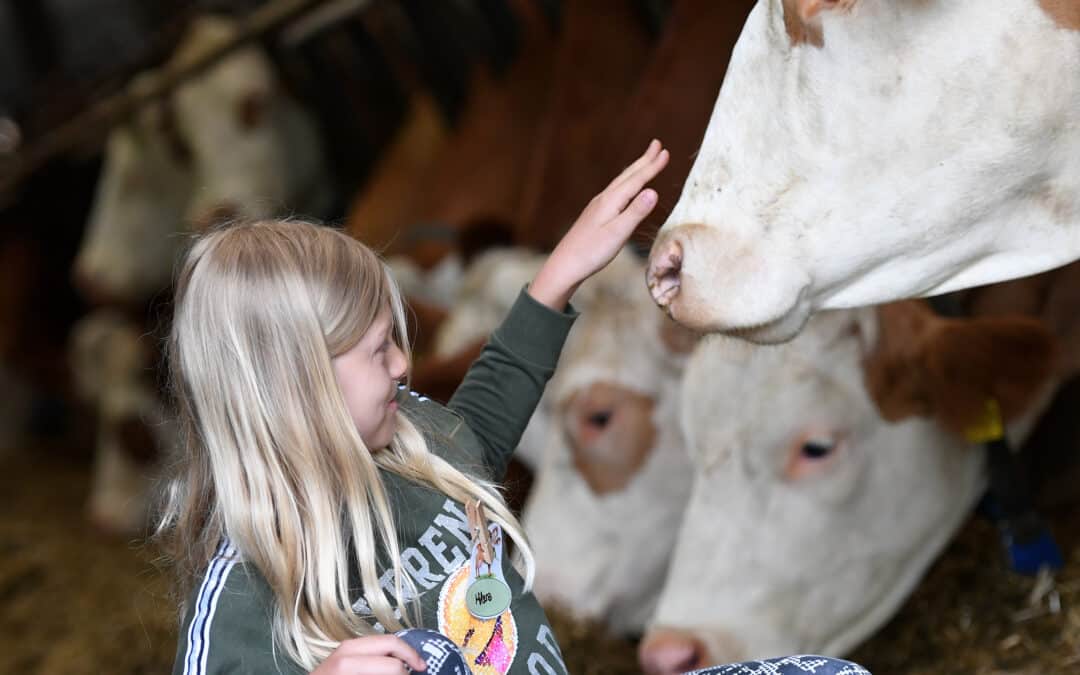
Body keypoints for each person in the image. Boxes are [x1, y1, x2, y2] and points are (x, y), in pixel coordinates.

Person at [160, 141, 669, 675]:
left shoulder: (411, 444)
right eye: (379, 348)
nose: (404, 364)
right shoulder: (240, 598)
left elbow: (486, 418)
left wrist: (560, 274)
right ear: (298, 384)